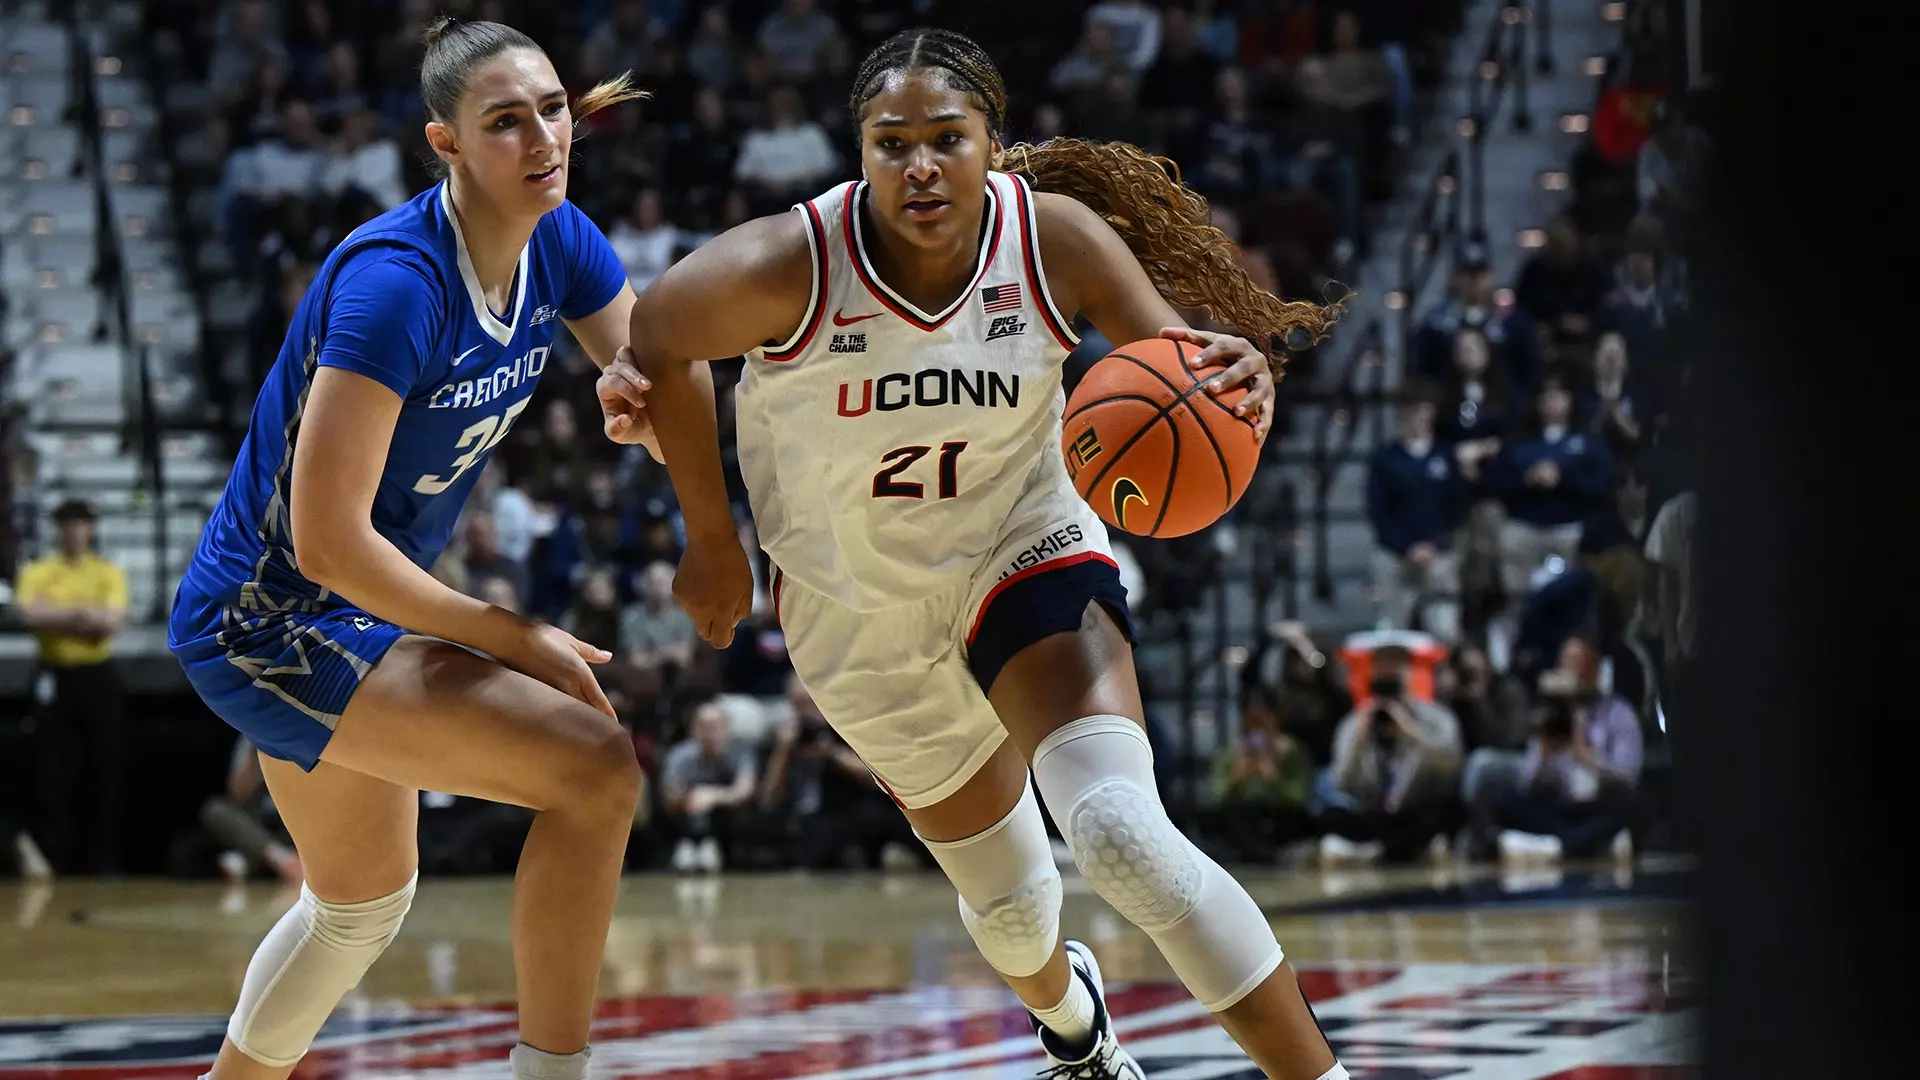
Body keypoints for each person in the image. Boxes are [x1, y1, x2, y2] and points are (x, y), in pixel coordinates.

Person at [600, 28, 1351, 1080]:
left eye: (946, 138)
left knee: (1122, 834)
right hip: (855, 611)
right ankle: (1075, 1027)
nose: (919, 165)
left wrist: (1239, 382)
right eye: (890, 141)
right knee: (1010, 913)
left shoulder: (1054, 243)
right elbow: (661, 336)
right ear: (857, 153)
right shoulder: (791, 264)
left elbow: (1172, 364)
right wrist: (710, 539)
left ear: (993, 147)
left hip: (1022, 542)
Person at [165, 19, 692, 1080]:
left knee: (360, 906)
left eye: (552, 109)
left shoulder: (564, 238)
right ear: (444, 143)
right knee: (595, 772)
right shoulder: (397, 285)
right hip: (269, 617)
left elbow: (661, 371)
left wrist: (632, 398)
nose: (543, 138)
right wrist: (514, 635)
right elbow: (325, 545)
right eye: (505, 121)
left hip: (352, 608)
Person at [15, 497, 128, 875]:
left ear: (90, 529)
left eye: (81, 523)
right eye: (68, 523)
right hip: (55, 675)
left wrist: (60, 615)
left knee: (104, 767)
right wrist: (83, 614)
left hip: (97, 677)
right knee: (52, 769)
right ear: (58, 528)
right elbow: (31, 614)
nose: (75, 530)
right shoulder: (39, 571)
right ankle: (54, 856)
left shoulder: (107, 572)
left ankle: (100, 858)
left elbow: (109, 622)